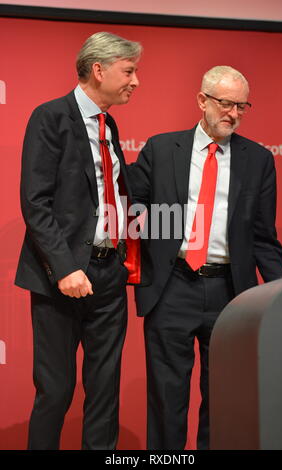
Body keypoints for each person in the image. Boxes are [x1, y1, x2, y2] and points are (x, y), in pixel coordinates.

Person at [128, 65, 282, 450]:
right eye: (225, 103)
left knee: (223, 400)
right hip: (171, 289)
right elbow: (131, 208)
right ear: (202, 101)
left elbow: (265, 238)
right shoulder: (162, 149)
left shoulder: (259, 160)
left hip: (232, 295)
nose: (233, 113)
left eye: (241, 106)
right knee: (167, 400)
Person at [15, 31, 150, 450]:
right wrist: (66, 268)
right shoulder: (50, 117)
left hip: (109, 276)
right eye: (129, 71)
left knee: (105, 393)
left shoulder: (109, 125)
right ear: (99, 69)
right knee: (55, 392)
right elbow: (36, 203)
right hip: (63, 277)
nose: (136, 81)